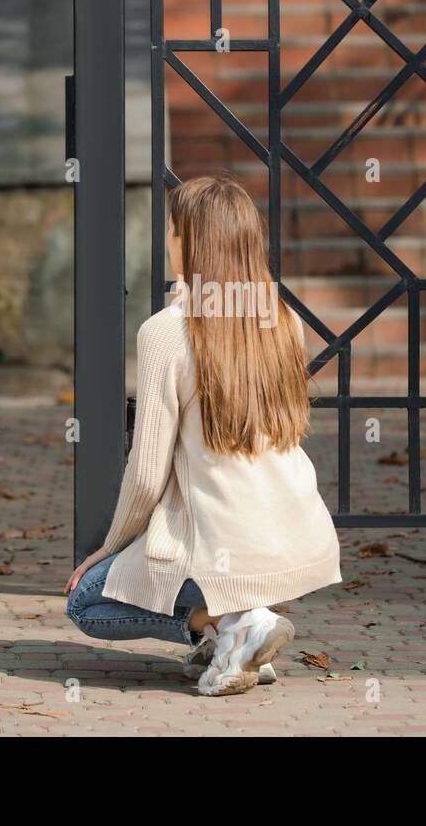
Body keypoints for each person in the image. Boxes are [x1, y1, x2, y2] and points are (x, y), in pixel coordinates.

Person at [65, 174, 342, 696]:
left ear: (190, 241)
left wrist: (108, 548)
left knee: (87, 601)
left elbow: (147, 474)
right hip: (294, 536)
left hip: (223, 542)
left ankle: (231, 627)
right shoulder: (283, 318)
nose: (166, 241)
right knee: (173, 559)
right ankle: (238, 633)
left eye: (171, 231)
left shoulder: (167, 331)